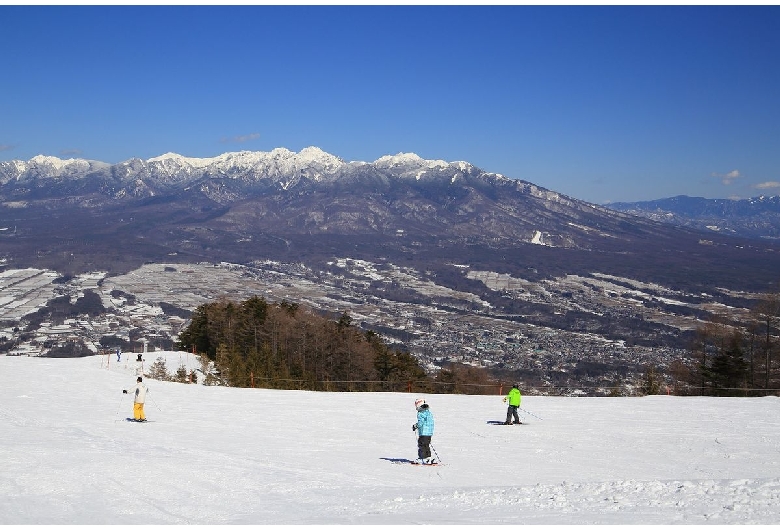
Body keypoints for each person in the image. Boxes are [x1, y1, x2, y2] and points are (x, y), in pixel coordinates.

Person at [412, 398, 435, 464]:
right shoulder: (428, 412)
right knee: (426, 445)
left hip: (423, 432)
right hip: (429, 433)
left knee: (421, 445)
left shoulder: (420, 413)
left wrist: (415, 426)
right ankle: (428, 458)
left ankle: (422, 458)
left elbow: (421, 422)